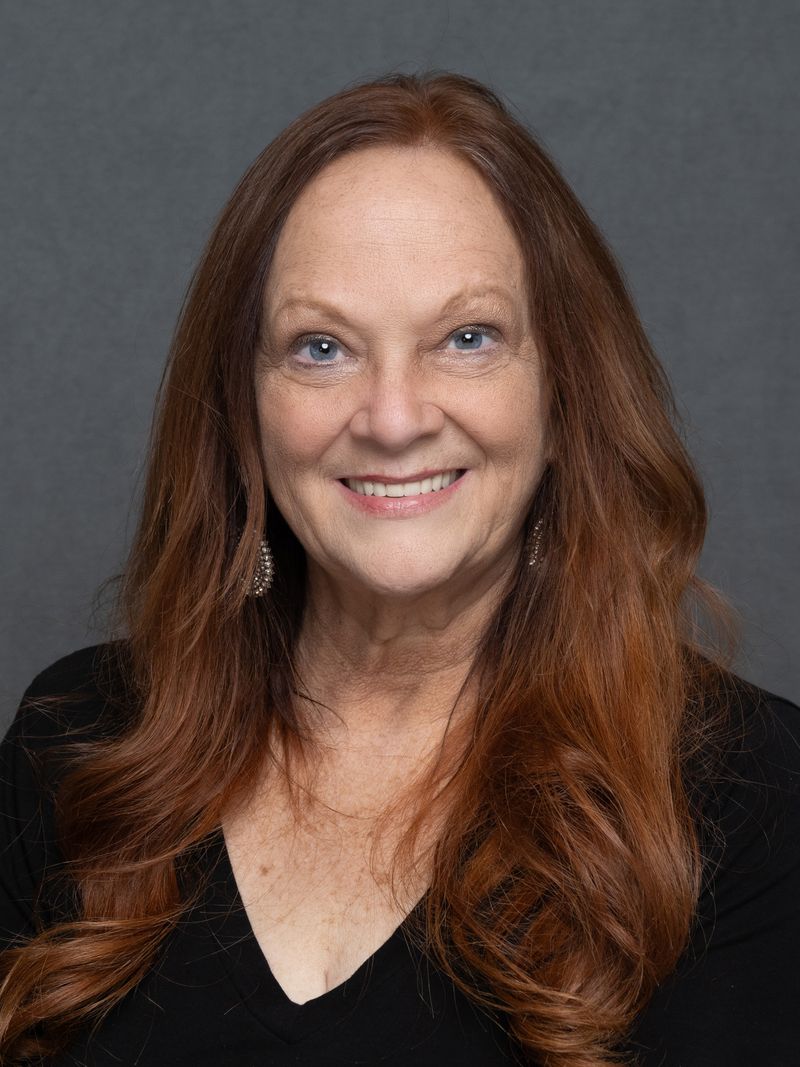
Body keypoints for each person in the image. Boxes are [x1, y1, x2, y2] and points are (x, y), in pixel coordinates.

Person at [1, 70, 798, 1067]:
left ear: (564, 394)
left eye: (467, 338)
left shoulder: (751, 795)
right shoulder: (80, 743)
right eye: (321, 347)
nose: (391, 417)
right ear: (243, 405)